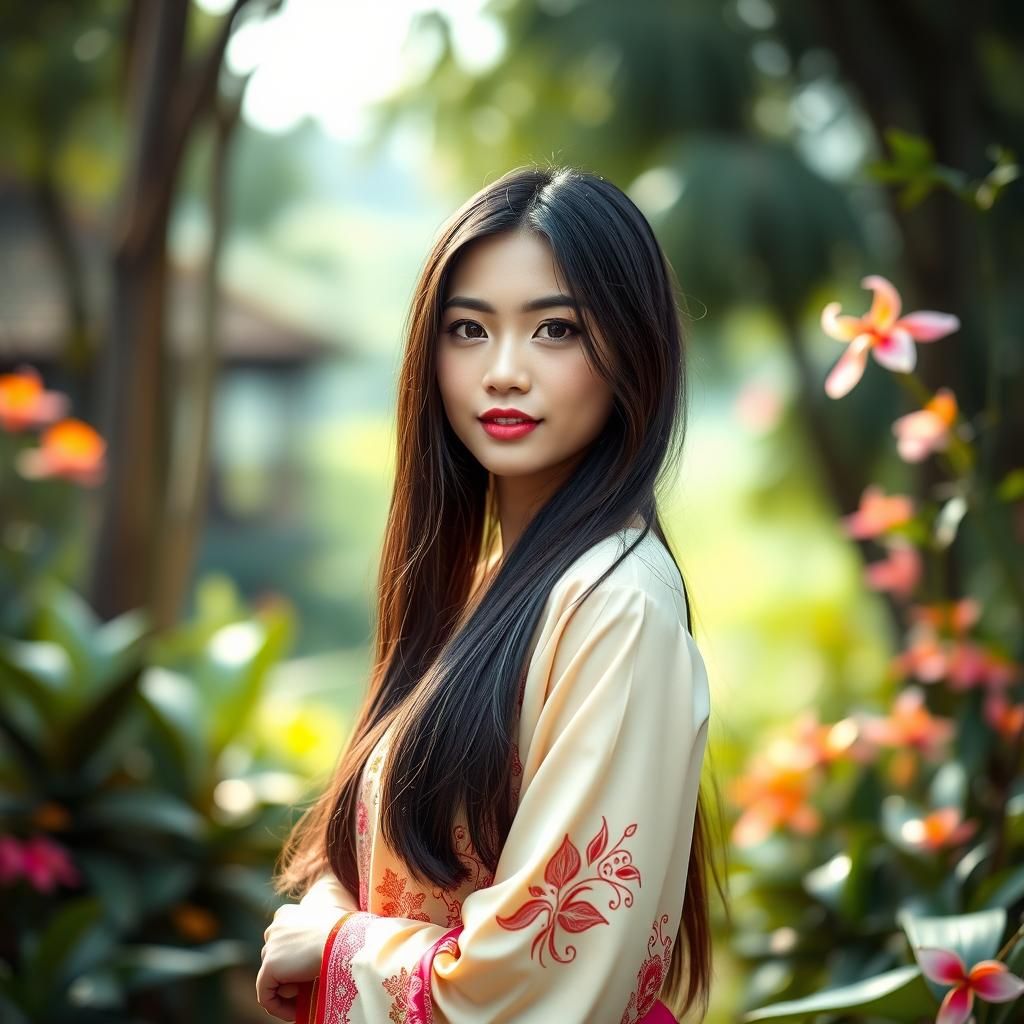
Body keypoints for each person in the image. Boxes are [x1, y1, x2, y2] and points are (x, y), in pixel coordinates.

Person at [257, 164, 727, 1023]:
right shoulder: (484, 593)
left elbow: (548, 978)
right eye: (469, 331)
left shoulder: (614, 606)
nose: (503, 372)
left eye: (555, 331)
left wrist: (334, 950)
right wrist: (330, 907)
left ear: (633, 353)